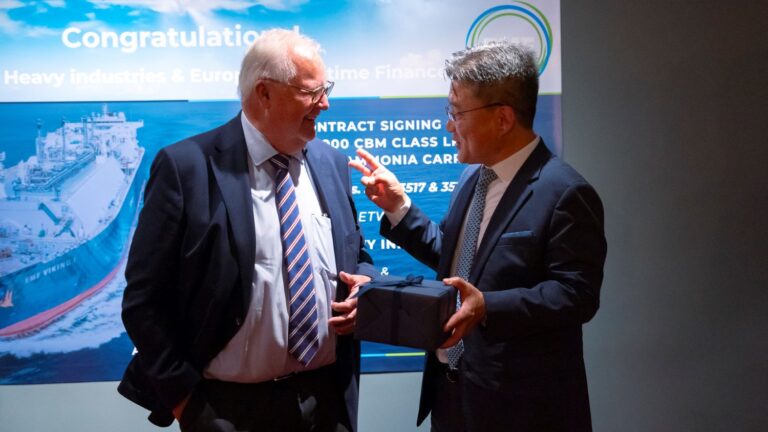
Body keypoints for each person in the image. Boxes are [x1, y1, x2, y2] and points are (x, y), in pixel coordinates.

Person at [118, 29, 376, 432]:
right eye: (311, 92)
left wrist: (366, 286)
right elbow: (143, 300)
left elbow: (356, 254)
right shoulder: (187, 168)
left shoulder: (332, 164)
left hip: (327, 402)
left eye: (325, 89)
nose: (325, 103)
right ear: (264, 93)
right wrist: (187, 403)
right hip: (227, 411)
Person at [350, 41, 607, 431]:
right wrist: (399, 207)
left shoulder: (566, 193)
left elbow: (577, 295)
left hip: (522, 409)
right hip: (452, 396)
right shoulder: (473, 177)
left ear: (503, 118)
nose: (449, 126)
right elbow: (459, 262)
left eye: (457, 113)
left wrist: (488, 306)